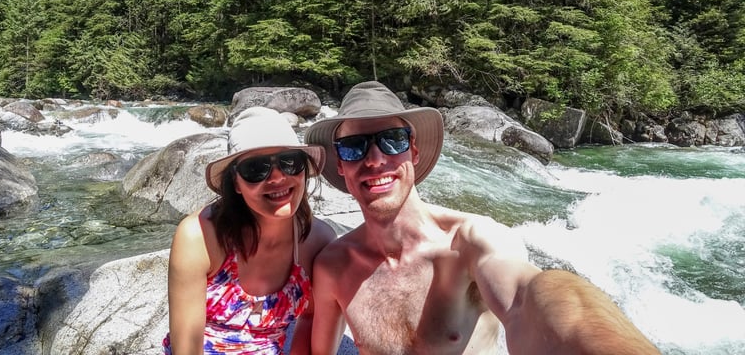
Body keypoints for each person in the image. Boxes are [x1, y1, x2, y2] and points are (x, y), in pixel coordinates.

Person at [305, 81, 660, 355]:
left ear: (413, 150)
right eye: (354, 147)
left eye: (392, 140)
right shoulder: (334, 267)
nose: (375, 159)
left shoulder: (471, 242)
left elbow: (527, 297)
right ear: (341, 164)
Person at [163, 106, 336, 355]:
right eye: (256, 168)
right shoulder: (199, 237)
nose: (277, 177)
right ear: (235, 182)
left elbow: (311, 317)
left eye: (289, 162)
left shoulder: (318, 242)